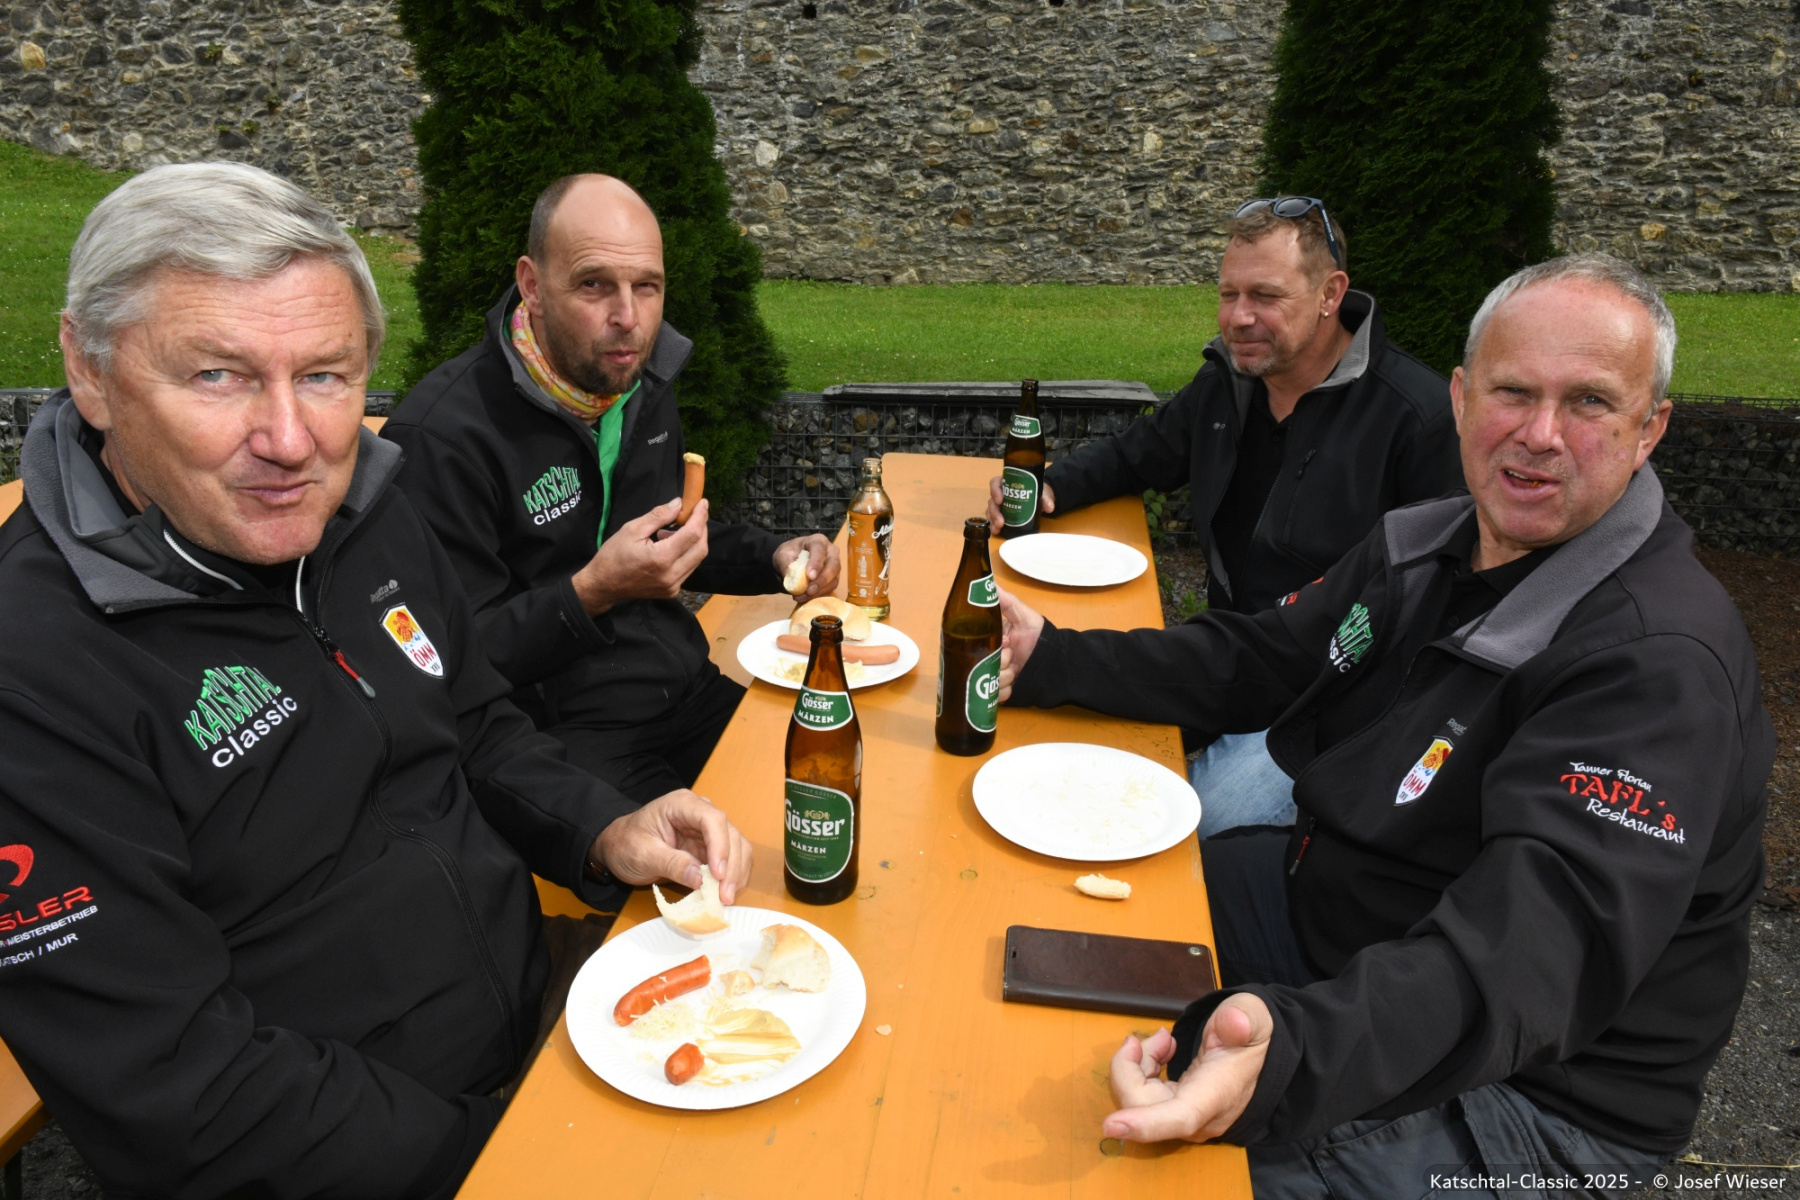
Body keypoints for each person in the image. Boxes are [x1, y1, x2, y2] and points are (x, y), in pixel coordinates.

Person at [0, 162, 752, 1197]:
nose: (291, 442)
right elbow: (180, 1095)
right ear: (89, 371)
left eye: (325, 375)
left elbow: (475, 719)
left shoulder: (364, 507)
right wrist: (508, 1153)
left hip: (536, 1005)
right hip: (380, 1150)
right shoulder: (35, 674)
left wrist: (602, 828)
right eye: (217, 375)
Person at [998, 254, 1772, 1197]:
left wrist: (1291, 1056)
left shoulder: (1655, 664)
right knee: (1048, 926)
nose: (1540, 435)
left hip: (1537, 1098)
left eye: (1590, 404)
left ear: (1650, 429)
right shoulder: (1427, 540)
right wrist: (1049, 659)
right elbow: (1261, 660)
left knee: (1122, 1172)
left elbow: (1527, 958)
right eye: (1514, 392)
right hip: (1341, 922)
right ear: (1461, 398)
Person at [989, 197, 1462, 835]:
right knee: (1054, 749)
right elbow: (1140, 452)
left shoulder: (1417, 422)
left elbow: (1423, 628)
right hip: (1223, 660)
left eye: (1265, 296)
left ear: (1331, 294)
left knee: (1188, 825)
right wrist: (1048, 486)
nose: (1239, 317)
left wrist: (1065, 657)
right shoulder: (1232, 383)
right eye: (1228, 294)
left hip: (1326, 700)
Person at [382, 175, 837, 803]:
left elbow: (668, 531)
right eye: (594, 285)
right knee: (740, 846)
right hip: (558, 741)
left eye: (647, 286)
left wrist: (774, 556)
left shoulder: (636, 382)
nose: (629, 319)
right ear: (532, 285)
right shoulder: (442, 437)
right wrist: (592, 592)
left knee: (829, 778)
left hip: (684, 689)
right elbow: (444, 658)